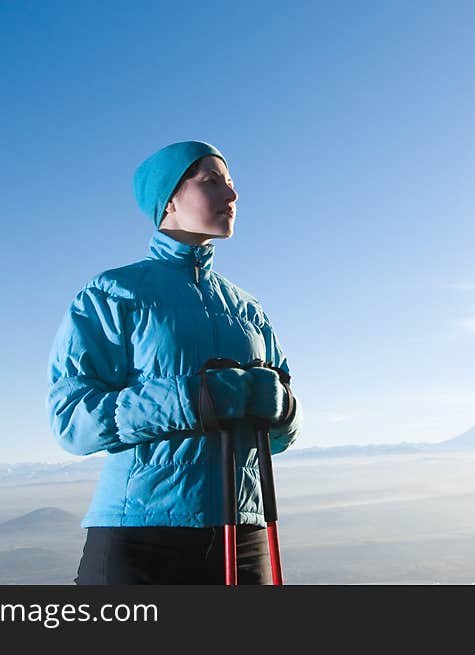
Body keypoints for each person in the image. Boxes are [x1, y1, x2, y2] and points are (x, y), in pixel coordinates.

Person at [46, 140, 302, 584]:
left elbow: (278, 438)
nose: (232, 195)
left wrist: (281, 407)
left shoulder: (247, 308)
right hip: (142, 536)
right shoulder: (113, 293)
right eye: (212, 181)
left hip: (244, 531)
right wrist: (191, 398)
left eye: (232, 184)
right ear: (169, 200)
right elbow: (72, 420)